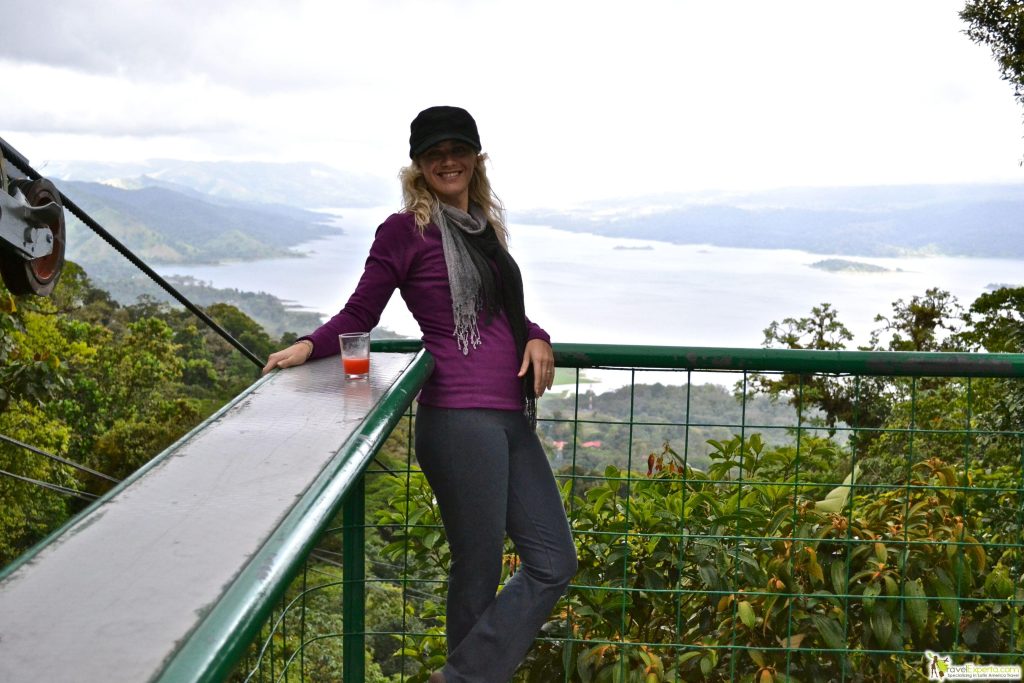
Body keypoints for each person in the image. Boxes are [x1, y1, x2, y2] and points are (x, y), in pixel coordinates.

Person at [263, 106, 578, 683]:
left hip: (510, 416)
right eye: (435, 153)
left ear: (477, 158)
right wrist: (309, 346)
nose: (448, 161)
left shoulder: (482, 226)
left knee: (555, 561)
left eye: (459, 150)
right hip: (459, 418)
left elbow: (504, 311)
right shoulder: (405, 229)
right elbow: (361, 311)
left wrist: (537, 337)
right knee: (478, 570)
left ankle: (460, 675)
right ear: (418, 165)